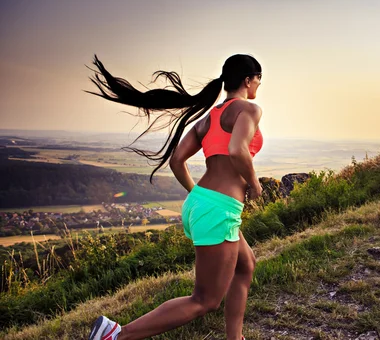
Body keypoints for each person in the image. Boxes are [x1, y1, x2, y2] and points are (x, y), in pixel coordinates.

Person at [86, 54, 264, 340]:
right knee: (204, 301)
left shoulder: (209, 118)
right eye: (258, 79)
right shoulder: (249, 110)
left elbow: (177, 160)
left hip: (202, 202)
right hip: (218, 209)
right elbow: (237, 150)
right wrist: (254, 184)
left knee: (246, 265)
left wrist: (200, 197)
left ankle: (236, 338)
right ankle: (115, 335)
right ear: (248, 79)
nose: (258, 85)